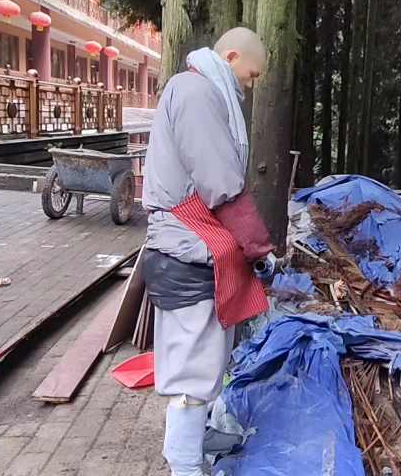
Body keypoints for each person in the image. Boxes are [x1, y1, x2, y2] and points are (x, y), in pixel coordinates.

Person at [142, 27, 277, 476]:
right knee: (193, 371)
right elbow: (222, 183)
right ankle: (184, 463)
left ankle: (196, 436)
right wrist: (258, 247)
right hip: (186, 246)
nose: (251, 85)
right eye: (251, 74)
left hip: (195, 244)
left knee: (209, 359)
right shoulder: (197, 91)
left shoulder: (203, 91)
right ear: (231, 56)